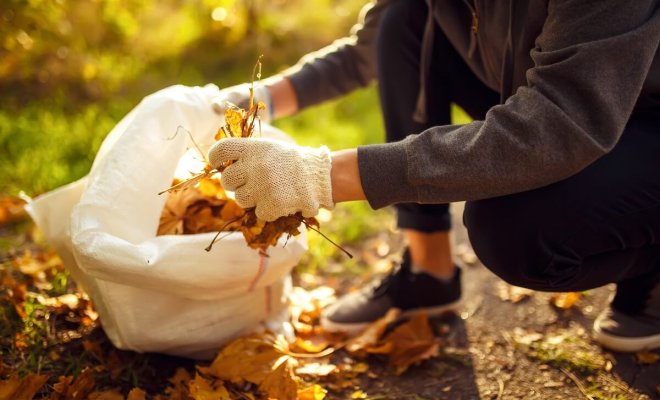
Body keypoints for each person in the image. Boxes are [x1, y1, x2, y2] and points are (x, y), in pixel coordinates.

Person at [208, 0, 660, 352]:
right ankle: (429, 272)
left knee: (515, 230)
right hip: (575, 107)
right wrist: (250, 100)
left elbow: (560, 121)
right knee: (405, 20)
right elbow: (372, 45)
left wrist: (324, 176)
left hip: (635, 121)